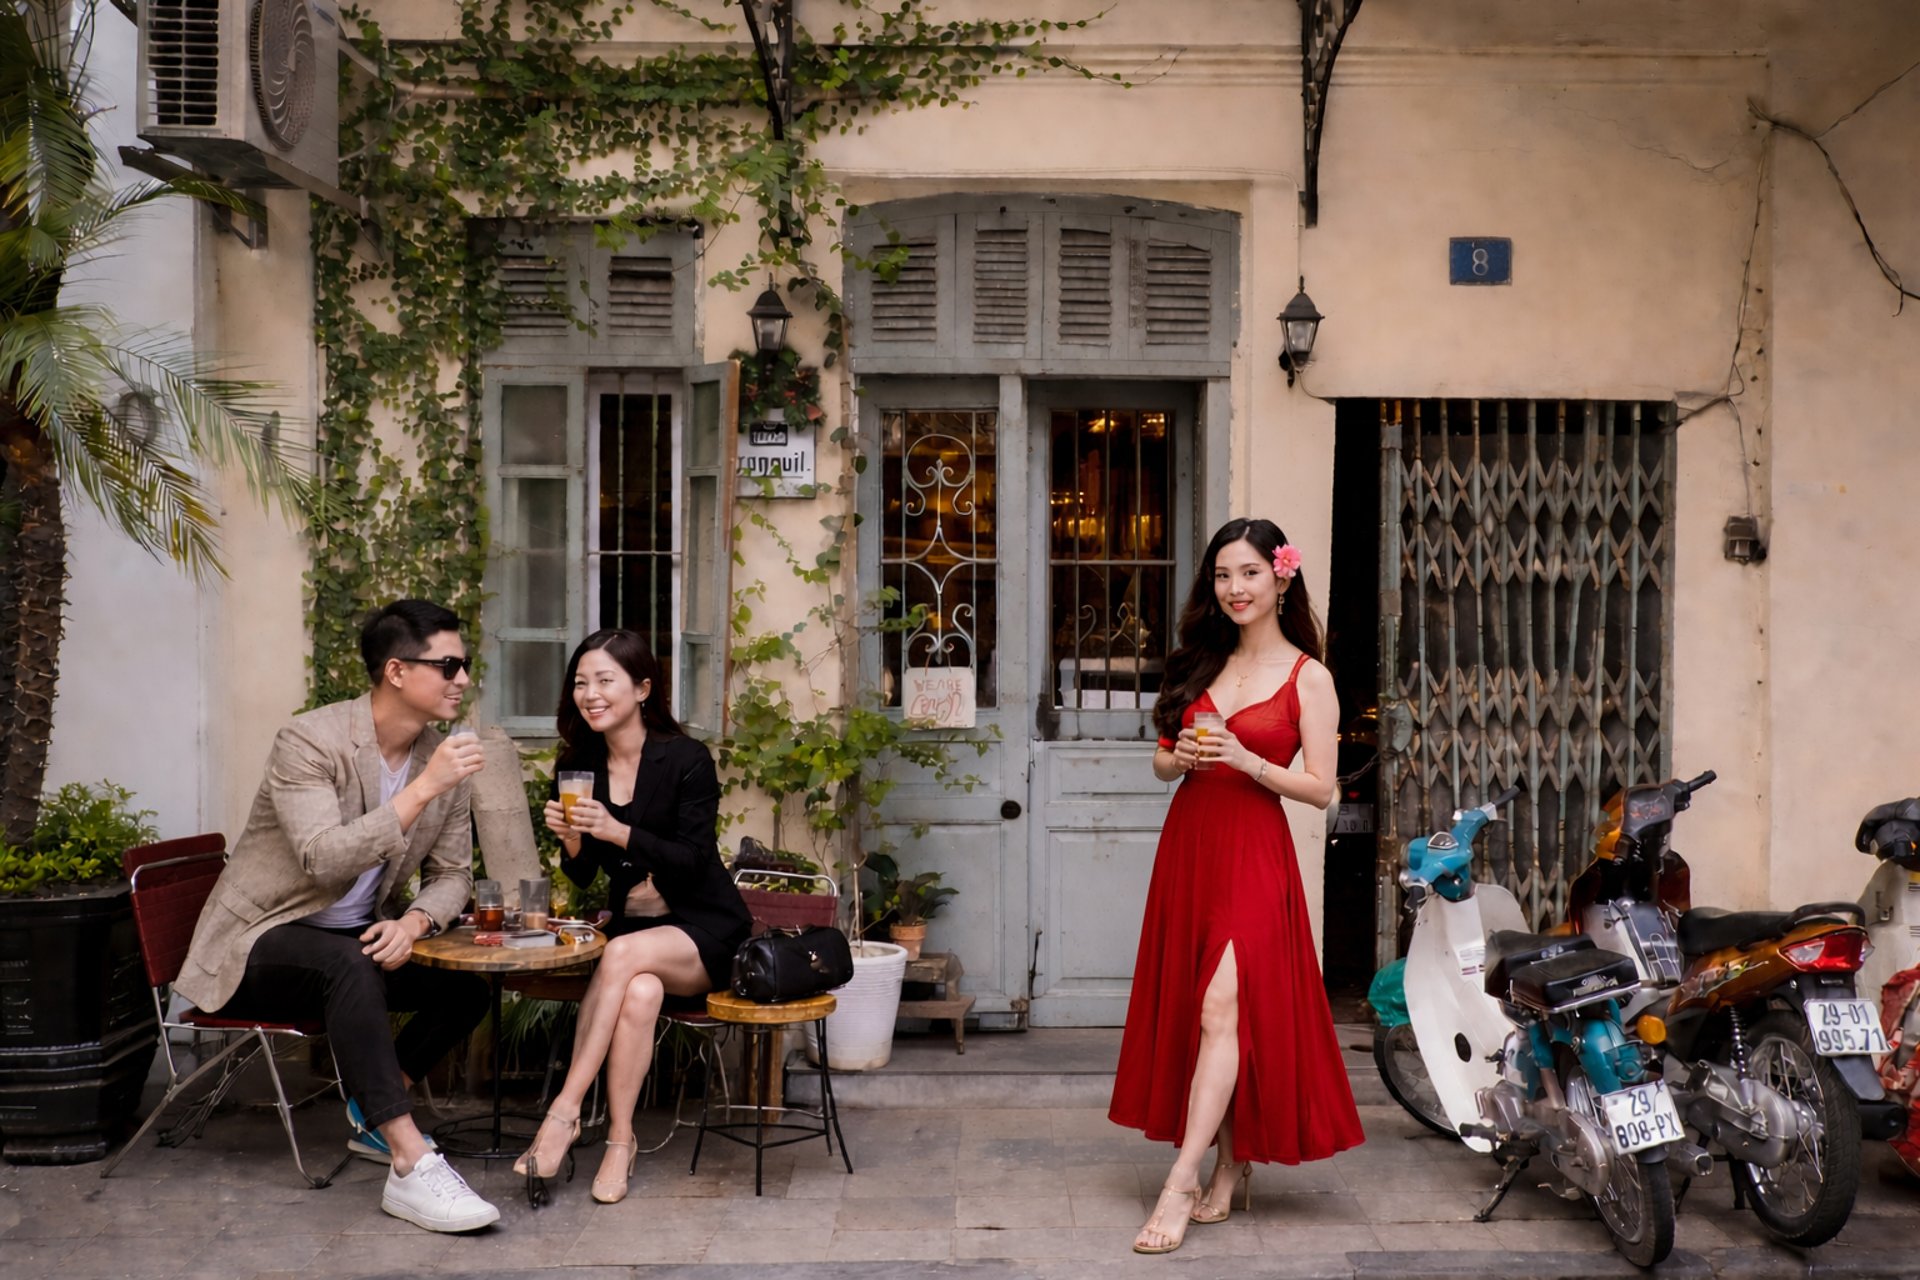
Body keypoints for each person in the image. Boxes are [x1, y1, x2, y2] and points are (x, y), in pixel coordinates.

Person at [175, 600, 499, 1233]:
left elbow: (454, 876)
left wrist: (414, 925)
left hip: (350, 942)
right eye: (450, 665)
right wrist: (422, 787)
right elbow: (322, 860)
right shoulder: (309, 740)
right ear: (398, 671)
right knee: (350, 963)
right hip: (258, 941)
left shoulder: (443, 758)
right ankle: (410, 1161)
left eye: (467, 665)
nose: (463, 678)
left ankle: (375, 1113)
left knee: (464, 988)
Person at [1109, 517, 1364, 1254]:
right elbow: (1161, 763)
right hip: (1191, 848)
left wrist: (1248, 759)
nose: (1234, 588)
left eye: (1249, 572)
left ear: (1281, 578)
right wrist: (1183, 755)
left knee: (1224, 1005)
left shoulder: (1308, 678)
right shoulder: (1199, 661)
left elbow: (1322, 791)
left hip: (1255, 852)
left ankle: (1181, 1182)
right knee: (1203, 1014)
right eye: (1223, 575)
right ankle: (1231, 1164)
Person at [513, 629, 751, 1204]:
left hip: (704, 929)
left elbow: (695, 862)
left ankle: (565, 1112)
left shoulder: (686, 760)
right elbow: (584, 874)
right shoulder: (578, 765)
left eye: (604, 681)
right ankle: (621, 1140)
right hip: (638, 934)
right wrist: (572, 841)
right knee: (639, 991)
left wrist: (617, 830)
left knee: (621, 955)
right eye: (580, 682)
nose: (589, 694)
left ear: (642, 688)